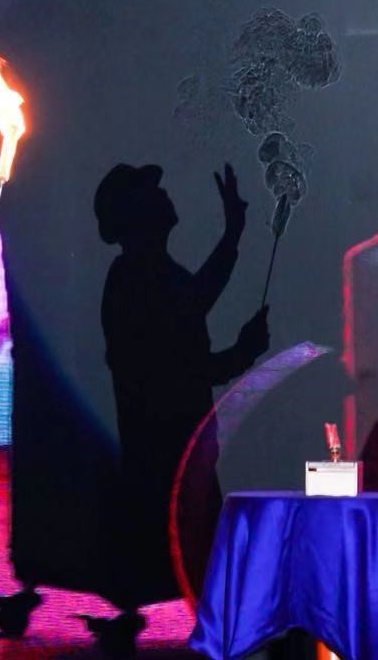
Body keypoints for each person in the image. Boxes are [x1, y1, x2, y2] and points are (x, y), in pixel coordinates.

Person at [94, 163, 269, 652]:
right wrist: (242, 352)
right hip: (169, 447)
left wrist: (233, 234)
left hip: (178, 446)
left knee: (192, 550)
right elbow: (188, 358)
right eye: (151, 193)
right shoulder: (138, 279)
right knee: (196, 548)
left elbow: (193, 304)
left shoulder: (148, 275)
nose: (164, 195)